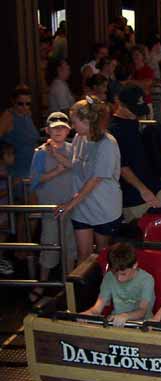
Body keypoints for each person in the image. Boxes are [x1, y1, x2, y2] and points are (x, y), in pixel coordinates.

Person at [55, 96, 122, 263]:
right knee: (82, 254)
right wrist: (54, 153)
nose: (72, 126)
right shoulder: (80, 138)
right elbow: (75, 165)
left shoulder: (107, 144)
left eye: (74, 122)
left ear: (87, 121)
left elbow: (95, 180)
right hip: (82, 206)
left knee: (102, 254)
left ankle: (101, 288)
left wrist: (69, 204)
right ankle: (80, 289)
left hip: (103, 207)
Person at [29, 112, 76, 302]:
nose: (58, 131)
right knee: (49, 245)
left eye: (62, 127)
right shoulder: (39, 152)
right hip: (50, 207)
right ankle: (43, 284)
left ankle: (69, 285)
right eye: (54, 127)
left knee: (70, 247)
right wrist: (56, 171)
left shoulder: (73, 149)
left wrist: (56, 156)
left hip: (72, 206)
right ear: (47, 130)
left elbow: (77, 169)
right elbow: (34, 181)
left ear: (68, 130)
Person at [109, 85, 161, 222]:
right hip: (135, 197)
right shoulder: (115, 131)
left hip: (152, 188)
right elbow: (122, 167)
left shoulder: (133, 122)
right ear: (121, 105)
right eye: (133, 109)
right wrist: (143, 190)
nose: (136, 114)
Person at [82, 242, 155, 327]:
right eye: (115, 273)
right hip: (116, 323)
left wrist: (126, 316)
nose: (119, 278)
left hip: (141, 326)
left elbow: (143, 311)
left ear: (135, 265)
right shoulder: (109, 277)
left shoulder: (147, 280)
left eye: (123, 274)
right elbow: (97, 308)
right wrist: (89, 313)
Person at [0, 143, 16, 275]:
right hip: (2, 209)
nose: (13, 157)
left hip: (5, 208)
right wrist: (11, 187)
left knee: (4, 234)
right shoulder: (2, 172)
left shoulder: (6, 170)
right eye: (9, 154)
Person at [128, 46, 154, 118]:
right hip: (131, 103)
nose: (134, 57)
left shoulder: (148, 70)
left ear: (143, 56)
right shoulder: (129, 69)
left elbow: (146, 84)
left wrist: (130, 81)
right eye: (133, 55)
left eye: (137, 55)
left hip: (145, 102)